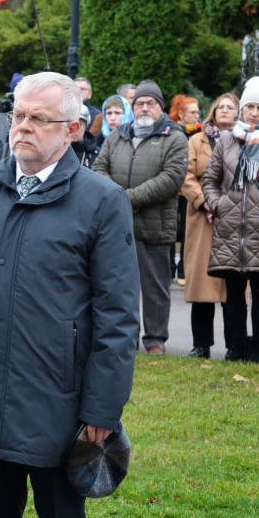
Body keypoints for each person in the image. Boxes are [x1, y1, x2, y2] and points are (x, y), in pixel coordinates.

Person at [0, 71, 139, 518]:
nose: (21, 127)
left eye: (38, 119)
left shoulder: (102, 201)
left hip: (60, 404)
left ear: (72, 129)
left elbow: (118, 315)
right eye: (17, 115)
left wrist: (102, 408)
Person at [93, 79, 187, 354]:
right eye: (140, 103)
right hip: (118, 226)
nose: (145, 107)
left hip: (155, 225)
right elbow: (99, 169)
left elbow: (171, 179)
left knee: (156, 286)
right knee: (120, 287)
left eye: (151, 103)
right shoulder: (117, 135)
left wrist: (126, 199)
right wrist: (119, 200)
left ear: (160, 107)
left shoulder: (175, 137)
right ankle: (126, 338)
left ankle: (156, 340)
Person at [202, 77, 259, 363]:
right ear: (242, 109)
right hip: (230, 228)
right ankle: (236, 347)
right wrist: (219, 204)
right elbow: (210, 180)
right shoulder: (227, 141)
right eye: (249, 106)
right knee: (234, 292)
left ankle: (257, 349)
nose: (254, 113)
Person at [182, 93, 237, 359]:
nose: (224, 110)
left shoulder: (246, 140)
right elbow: (187, 176)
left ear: (238, 113)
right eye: (220, 107)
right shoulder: (196, 140)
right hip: (204, 219)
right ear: (213, 112)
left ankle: (233, 345)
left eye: (230, 107)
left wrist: (232, 205)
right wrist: (206, 202)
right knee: (203, 283)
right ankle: (201, 344)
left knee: (232, 285)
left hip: (235, 218)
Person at [169, 95, 202, 285]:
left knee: (187, 230)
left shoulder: (200, 132)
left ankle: (183, 270)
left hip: (190, 189)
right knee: (171, 230)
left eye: (198, 112)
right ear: (181, 114)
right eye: (193, 112)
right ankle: (169, 270)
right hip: (173, 188)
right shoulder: (173, 132)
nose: (197, 116)